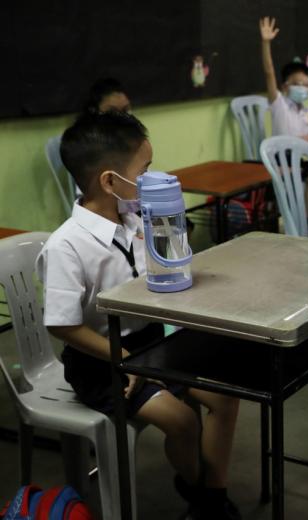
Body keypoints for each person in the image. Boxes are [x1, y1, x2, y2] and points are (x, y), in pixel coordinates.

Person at [36, 111, 241, 520]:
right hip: (100, 362)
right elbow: (62, 324)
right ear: (110, 181)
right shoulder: (67, 246)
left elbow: (168, 277)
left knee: (226, 394)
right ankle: (203, 499)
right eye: (144, 172)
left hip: (151, 346)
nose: (152, 178)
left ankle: (209, 496)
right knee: (181, 420)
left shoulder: (136, 222)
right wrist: (124, 358)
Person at [259, 16, 308, 233]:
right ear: (285, 86)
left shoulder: (307, 112)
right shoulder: (279, 104)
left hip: (299, 161)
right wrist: (266, 43)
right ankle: (306, 223)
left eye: (307, 84)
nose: (304, 88)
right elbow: (268, 73)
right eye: (298, 84)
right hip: (280, 161)